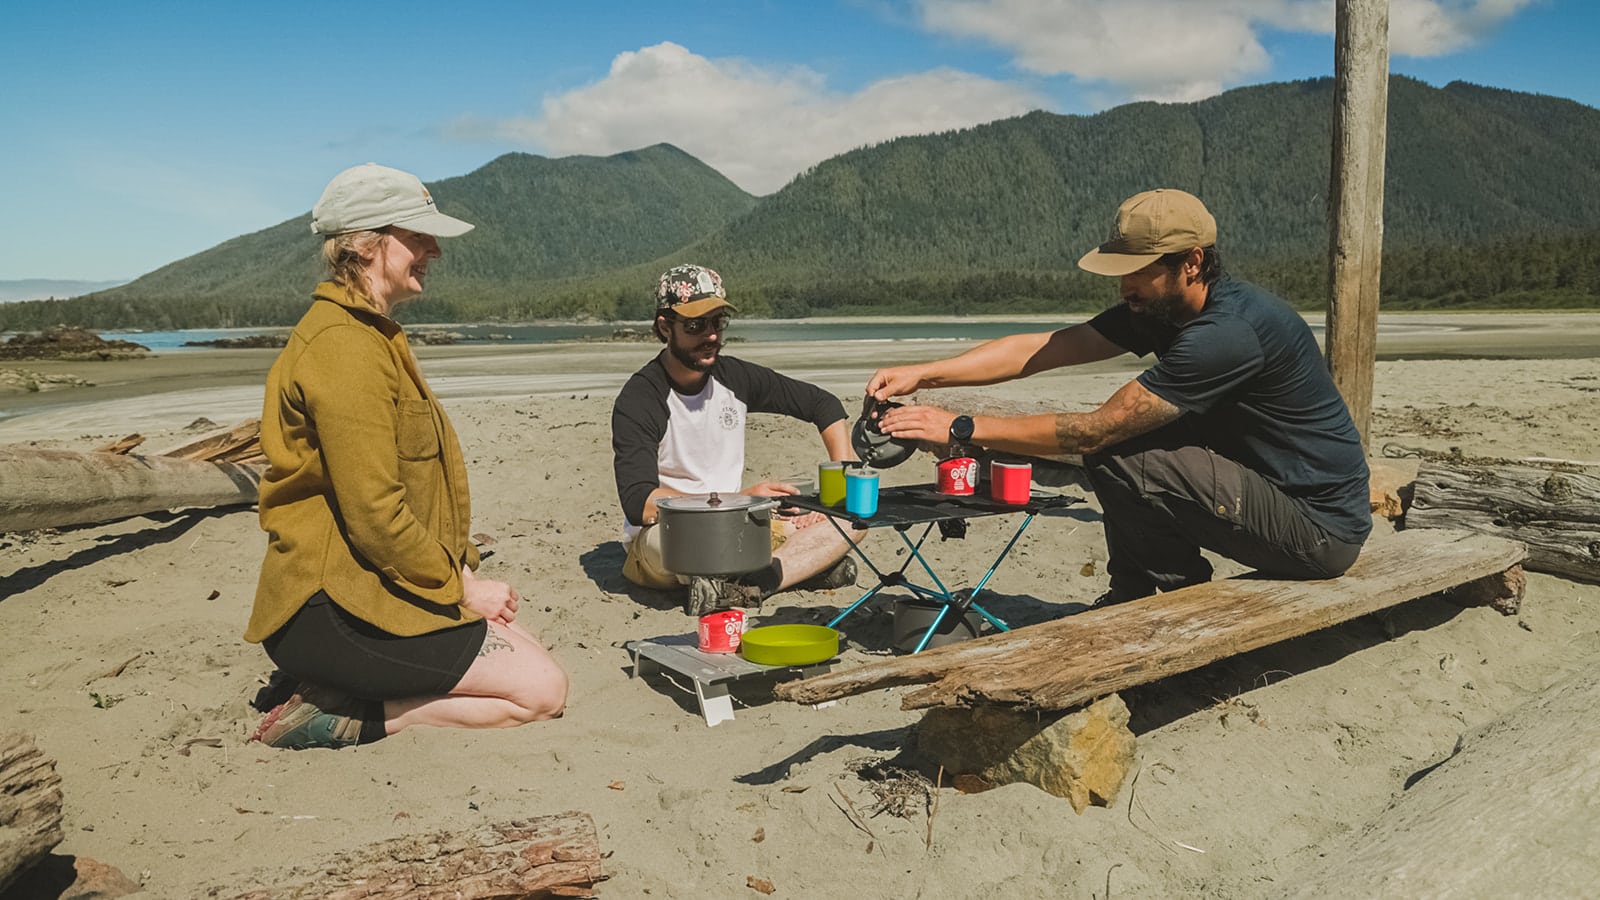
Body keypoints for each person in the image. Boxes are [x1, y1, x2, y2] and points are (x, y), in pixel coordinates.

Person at [867, 188, 1371, 604]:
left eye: (1139, 271)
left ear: (1192, 262)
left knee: (1116, 451)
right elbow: (1049, 347)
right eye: (1120, 271)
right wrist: (924, 375)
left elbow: (1095, 429)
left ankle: (1173, 600)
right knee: (1120, 450)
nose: (1125, 287)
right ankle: (1135, 593)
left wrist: (958, 427)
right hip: (1271, 490)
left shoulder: (1227, 334)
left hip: (1318, 529)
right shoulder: (1163, 309)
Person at [245, 163, 567, 750]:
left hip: (370, 587)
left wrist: (463, 570)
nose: (434, 250)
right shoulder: (343, 347)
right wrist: (460, 589)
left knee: (527, 644)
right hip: (330, 608)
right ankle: (343, 716)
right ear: (367, 244)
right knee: (541, 692)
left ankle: (338, 686)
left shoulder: (369, 335)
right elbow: (375, 511)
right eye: (418, 235)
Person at [611, 264, 862, 615]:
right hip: (666, 535)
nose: (711, 335)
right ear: (664, 327)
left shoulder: (735, 377)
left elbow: (824, 405)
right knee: (686, 545)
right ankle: (794, 566)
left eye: (717, 322)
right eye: (696, 325)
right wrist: (738, 501)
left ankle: (756, 583)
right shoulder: (640, 398)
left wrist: (840, 488)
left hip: (739, 524)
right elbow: (641, 503)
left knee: (856, 519)